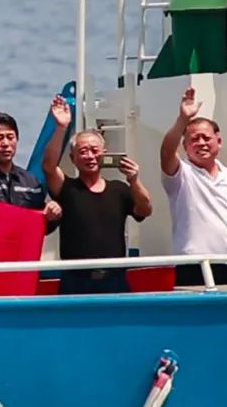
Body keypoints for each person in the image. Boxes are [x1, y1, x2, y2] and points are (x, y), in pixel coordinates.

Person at [42, 95, 153, 294]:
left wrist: (134, 180)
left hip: (115, 279)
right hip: (75, 281)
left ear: (104, 153)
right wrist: (61, 127)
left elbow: (145, 209)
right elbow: (49, 167)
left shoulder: (120, 189)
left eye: (94, 150)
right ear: (73, 158)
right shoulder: (67, 188)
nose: (90, 156)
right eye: (83, 151)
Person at [159, 87, 227, 285]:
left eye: (206, 138)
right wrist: (183, 119)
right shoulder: (181, 174)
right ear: (185, 147)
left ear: (219, 141)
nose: (201, 143)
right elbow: (166, 152)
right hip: (192, 266)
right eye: (194, 139)